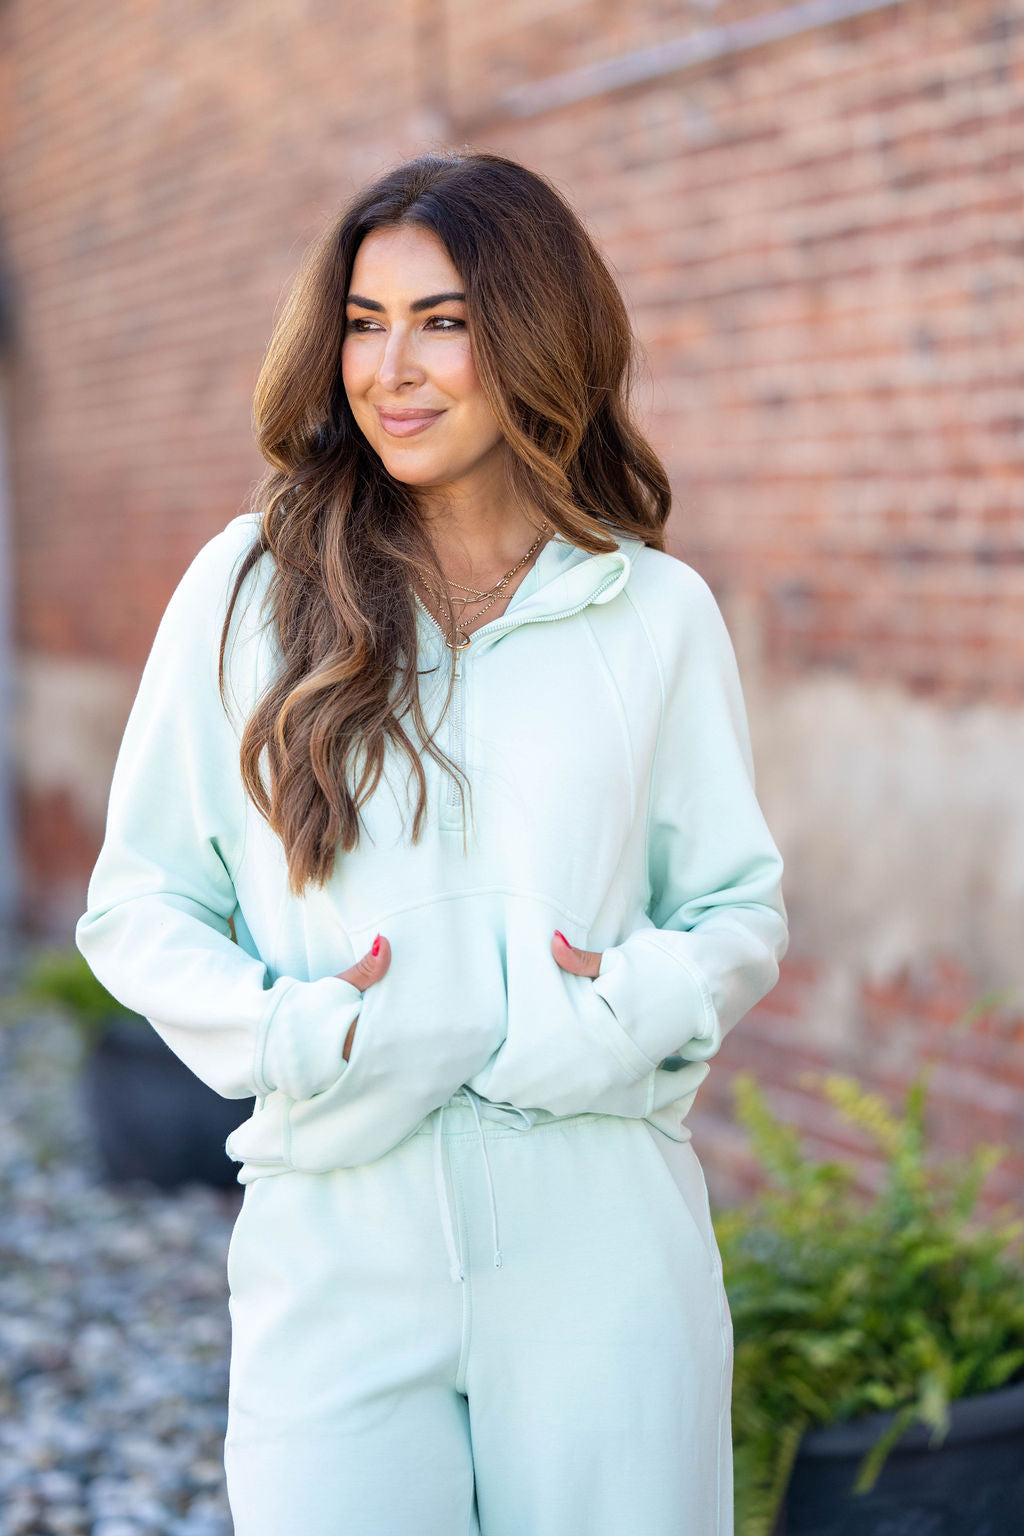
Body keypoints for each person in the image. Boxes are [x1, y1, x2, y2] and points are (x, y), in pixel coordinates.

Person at [75, 148, 789, 1536]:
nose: (390, 369)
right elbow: (139, 901)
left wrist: (628, 1007)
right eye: (363, 322)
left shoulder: (655, 614)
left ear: (534, 335)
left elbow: (735, 906)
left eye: (442, 321)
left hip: (601, 1237)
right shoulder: (246, 591)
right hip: (337, 1240)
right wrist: (292, 1035)